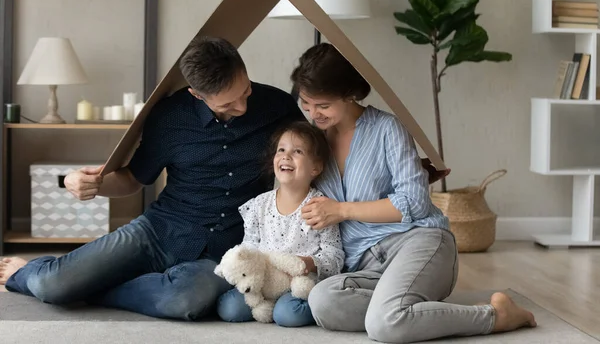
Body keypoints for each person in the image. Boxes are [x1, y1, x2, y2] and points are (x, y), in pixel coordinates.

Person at [0, 36, 306, 320]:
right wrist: (89, 184)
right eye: (227, 103)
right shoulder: (169, 116)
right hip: (159, 230)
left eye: (246, 91)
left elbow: (314, 153)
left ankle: (93, 290)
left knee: (186, 300)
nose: (242, 106)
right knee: (53, 285)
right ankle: (32, 271)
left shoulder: (277, 106)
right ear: (196, 94)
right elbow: (134, 179)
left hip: (228, 247)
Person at [288, 43, 537, 343]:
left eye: (323, 105)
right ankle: (407, 310)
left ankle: (496, 316)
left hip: (417, 243)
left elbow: (416, 203)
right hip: (363, 265)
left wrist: (342, 210)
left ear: (349, 93)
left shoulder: (387, 128)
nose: (314, 114)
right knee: (322, 302)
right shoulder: (312, 142)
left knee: (383, 326)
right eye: (306, 104)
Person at [216, 121, 345, 327]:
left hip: (298, 284)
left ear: (316, 167)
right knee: (229, 309)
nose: (286, 156)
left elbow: (335, 255)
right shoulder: (259, 205)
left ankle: (283, 307)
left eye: (298, 151)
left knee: (287, 315)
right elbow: (249, 246)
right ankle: (265, 305)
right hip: (262, 281)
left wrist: (305, 263)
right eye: (281, 150)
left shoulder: (320, 207)